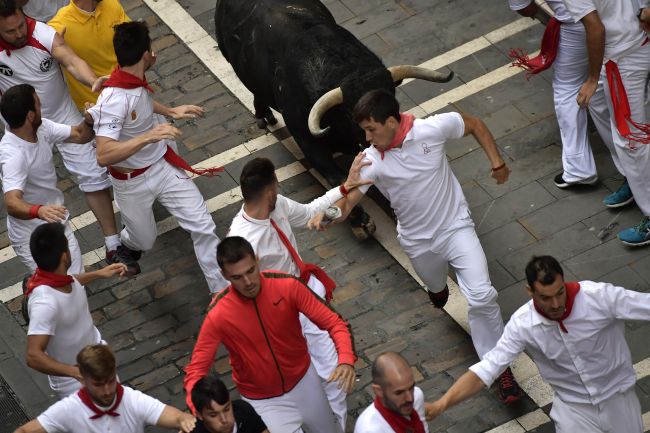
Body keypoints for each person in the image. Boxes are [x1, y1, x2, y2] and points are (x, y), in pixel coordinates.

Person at [309, 89, 521, 403]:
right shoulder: (371, 161)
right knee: (436, 285)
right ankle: (436, 289)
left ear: (392, 121)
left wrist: (497, 162)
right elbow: (347, 204)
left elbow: (474, 123)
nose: (366, 137)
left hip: (456, 229)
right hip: (419, 244)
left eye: (371, 129)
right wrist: (324, 216)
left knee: (482, 296)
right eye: (364, 130)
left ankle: (498, 368)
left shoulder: (432, 129)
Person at [425, 255, 649, 432]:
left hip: (619, 400)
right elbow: (487, 369)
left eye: (559, 293)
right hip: (574, 411)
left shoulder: (600, 298)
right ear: (530, 291)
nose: (555, 304)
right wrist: (441, 404)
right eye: (545, 297)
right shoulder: (523, 325)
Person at [227, 155, 370, 430]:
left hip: (304, 295)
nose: (279, 191)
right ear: (269, 191)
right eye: (276, 187)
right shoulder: (242, 241)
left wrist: (344, 187)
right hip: (279, 315)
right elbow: (237, 295)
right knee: (314, 377)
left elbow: (308, 213)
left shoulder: (277, 205)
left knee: (332, 371)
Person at [87, 21, 228, 288]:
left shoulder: (130, 79)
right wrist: (150, 136)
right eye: (151, 49)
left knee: (203, 226)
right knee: (145, 240)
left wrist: (171, 111)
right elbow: (104, 155)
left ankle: (221, 293)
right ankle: (126, 244)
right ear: (144, 55)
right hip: (132, 183)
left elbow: (141, 102)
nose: (154, 54)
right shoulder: (114, 98)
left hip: (162, 168)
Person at [183, 236, 356, 433]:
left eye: (250, 271)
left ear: (257, 260)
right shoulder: (218, 314)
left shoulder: (287, 285)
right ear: (224, 275)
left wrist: (346, 360)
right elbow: (196, 370)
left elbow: (335, 323)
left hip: (305, 382)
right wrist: (196, 408)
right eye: (237, 277)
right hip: (263, 401)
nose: (248, 282)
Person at [0, 0, 121, 258]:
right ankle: (41, 260)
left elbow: (71, 60)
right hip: (23, 131)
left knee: (94, 176)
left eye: (21, 25)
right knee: (29, 197)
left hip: (60, 114)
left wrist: (92, 81)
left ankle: (113, 245)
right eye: (11, 31)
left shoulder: (42, 33)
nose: (20, 33)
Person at [563, 0, 650, 246]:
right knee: (598, 105)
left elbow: (595, 29)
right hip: (618, 49)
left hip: (625, 55)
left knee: (630, 138)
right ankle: (633, 178)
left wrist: (591, 78)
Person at [24, 222, 126, 398]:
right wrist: (76, 373)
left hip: (97, 358)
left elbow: (71, 280)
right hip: (77, 383)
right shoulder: (45, 303)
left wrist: (100, 273)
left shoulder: (55, 278)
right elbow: (33, 356)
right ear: (65, 256)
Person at [508, 0, 600, 189]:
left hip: (579, 24)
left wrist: (549, 19)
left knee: (567, 89)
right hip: (620, 16)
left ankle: (579, 169)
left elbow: (524, 6)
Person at [0, 84, 91, 273]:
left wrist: (89, 121)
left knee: (75, 282)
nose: (42, 107)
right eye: (38, 104)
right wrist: (39, 211)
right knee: (58, 288)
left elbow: (80, 135)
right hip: (32, 238)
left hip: (56, 223)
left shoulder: (42, 128)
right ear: (30, 115)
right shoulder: (13, 155)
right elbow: (12, 203)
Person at [13, 344, 197, 433]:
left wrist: (185, 421)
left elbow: (177, 417)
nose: (108, 390)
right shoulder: (68, 409)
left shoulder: (132, 400)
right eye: (98, 385)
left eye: (110, 381)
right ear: (83, 380)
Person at [48, 0, 129, 112]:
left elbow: (134, 44)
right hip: (99, 107)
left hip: (130, 89)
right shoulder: (57, 26)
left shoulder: (112, 4)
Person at [354, 352, 428, 433]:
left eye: (411, 388)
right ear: (378, 391)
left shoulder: (417, 395)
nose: (410, 398)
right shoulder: (370, 430)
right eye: (399, 393)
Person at [190, 375, 268, 433]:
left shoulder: (244, 411)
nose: (224, 419)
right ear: (199, 415)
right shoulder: (194, 430)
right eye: (213, 415)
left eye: (227, 409)